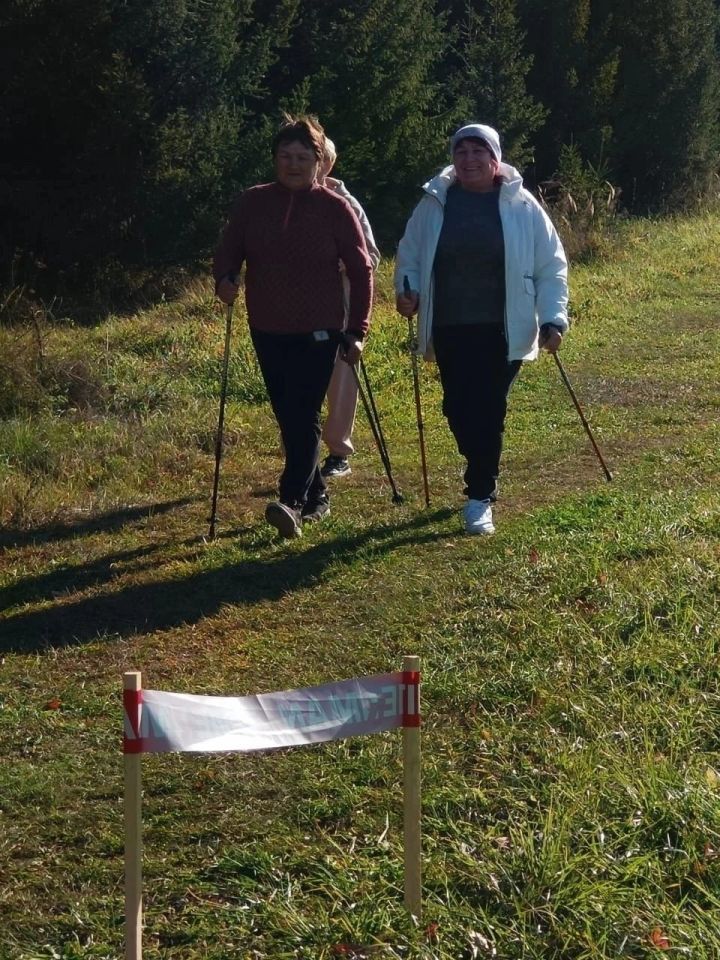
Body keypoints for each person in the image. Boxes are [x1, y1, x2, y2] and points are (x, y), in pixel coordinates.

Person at [395, 123, 568, 535]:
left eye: (479, 152)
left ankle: (479, 496)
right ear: (453, 158)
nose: (469, 160)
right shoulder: (434, 203)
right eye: (462, 152)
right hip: (450, 323)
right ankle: (480, 470)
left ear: (496, 160)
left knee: (489, 407)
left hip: (505, 326)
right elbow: (410, 256)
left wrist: (553, 318)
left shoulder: (522, 205)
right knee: (457, 407)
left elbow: (551, 267)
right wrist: (409, 290)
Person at [214, 116, 373, 539]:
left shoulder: (335, 208)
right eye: (285, 156)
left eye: (303, 157)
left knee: (302, 413)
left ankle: (291, 502)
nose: (293, 164)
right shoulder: (253, 202)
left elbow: (362, 271)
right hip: (266, 326)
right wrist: (225, 279)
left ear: (319, 163)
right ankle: (317, 495)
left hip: (319, 329)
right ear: (274, 160)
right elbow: (229, 250)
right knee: (290, 416)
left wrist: (357, 329)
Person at [317, 137, 381, 480]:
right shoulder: (286, 201)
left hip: (341, 305)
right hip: (297, 308)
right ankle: (304, 451)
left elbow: (370, 255)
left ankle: (338, 452)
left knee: (341, 379)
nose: (318, 165)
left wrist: (342, 262)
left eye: (323, 159)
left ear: (330, 163)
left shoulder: (346, 203)